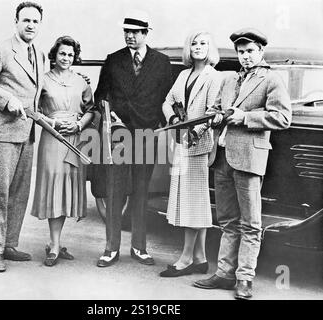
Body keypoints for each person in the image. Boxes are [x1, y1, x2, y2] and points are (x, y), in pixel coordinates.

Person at [193, 28, 292, 299]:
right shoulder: (228, 80)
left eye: (250, 51)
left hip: (249, 159)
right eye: (240, 52)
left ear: (261, 51)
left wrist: (245, 117)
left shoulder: (271, 78)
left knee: (251, 223)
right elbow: (215, 109)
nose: (245, 56)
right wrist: (213, 117)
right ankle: (224, 274)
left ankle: (245, 278)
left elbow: (282, 117)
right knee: (227, 220)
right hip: (223, 157)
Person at [92, 10, 173, 267]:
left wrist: (162, 124)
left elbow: (167, 98)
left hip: (148, 135)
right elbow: (100, 96)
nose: (130, 36)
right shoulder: (113, 60)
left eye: (135, 32)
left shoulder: (161, 62)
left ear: (146, 33)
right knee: (115, 191)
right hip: (119, 135)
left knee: (141, 192)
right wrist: (110, 116)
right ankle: (111, 248)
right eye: (126, 31)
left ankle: (139, 247)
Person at [0, 2, 45, 272]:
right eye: (25, 20)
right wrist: (7, 100)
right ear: (16, 21)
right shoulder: (0, 48)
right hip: (2, 133)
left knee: (19, 194)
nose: (30, 25)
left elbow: (39, 90)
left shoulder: (39, 53)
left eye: (35, 21)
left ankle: (9, 244)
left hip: (27, 134)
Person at [159, 31, 222, 277]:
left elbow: (212, 112)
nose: (198, 47)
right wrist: (174, 119)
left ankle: (185, 259)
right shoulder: (184, 74)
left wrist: (194, 131)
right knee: (195, 202)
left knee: (193, 202)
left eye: (203, 43)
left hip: (198, 144)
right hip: (182, 142)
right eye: (194, 43)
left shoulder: (213, 77)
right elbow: (168, 101)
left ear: (210, 48)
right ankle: (200, 258)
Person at [30, 36, 94, 267]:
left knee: (68, 189)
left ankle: (56, 243)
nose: (66, 58)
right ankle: (54, 245)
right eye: (62, 54)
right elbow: (34, 110)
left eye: (70, 54)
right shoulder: (43, 80)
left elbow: (91, 110)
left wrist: (79, 125)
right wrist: (52, 123)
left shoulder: (81, 81)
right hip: (53, 139)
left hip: (75, 140)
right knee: (55, 188)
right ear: (54, 56)